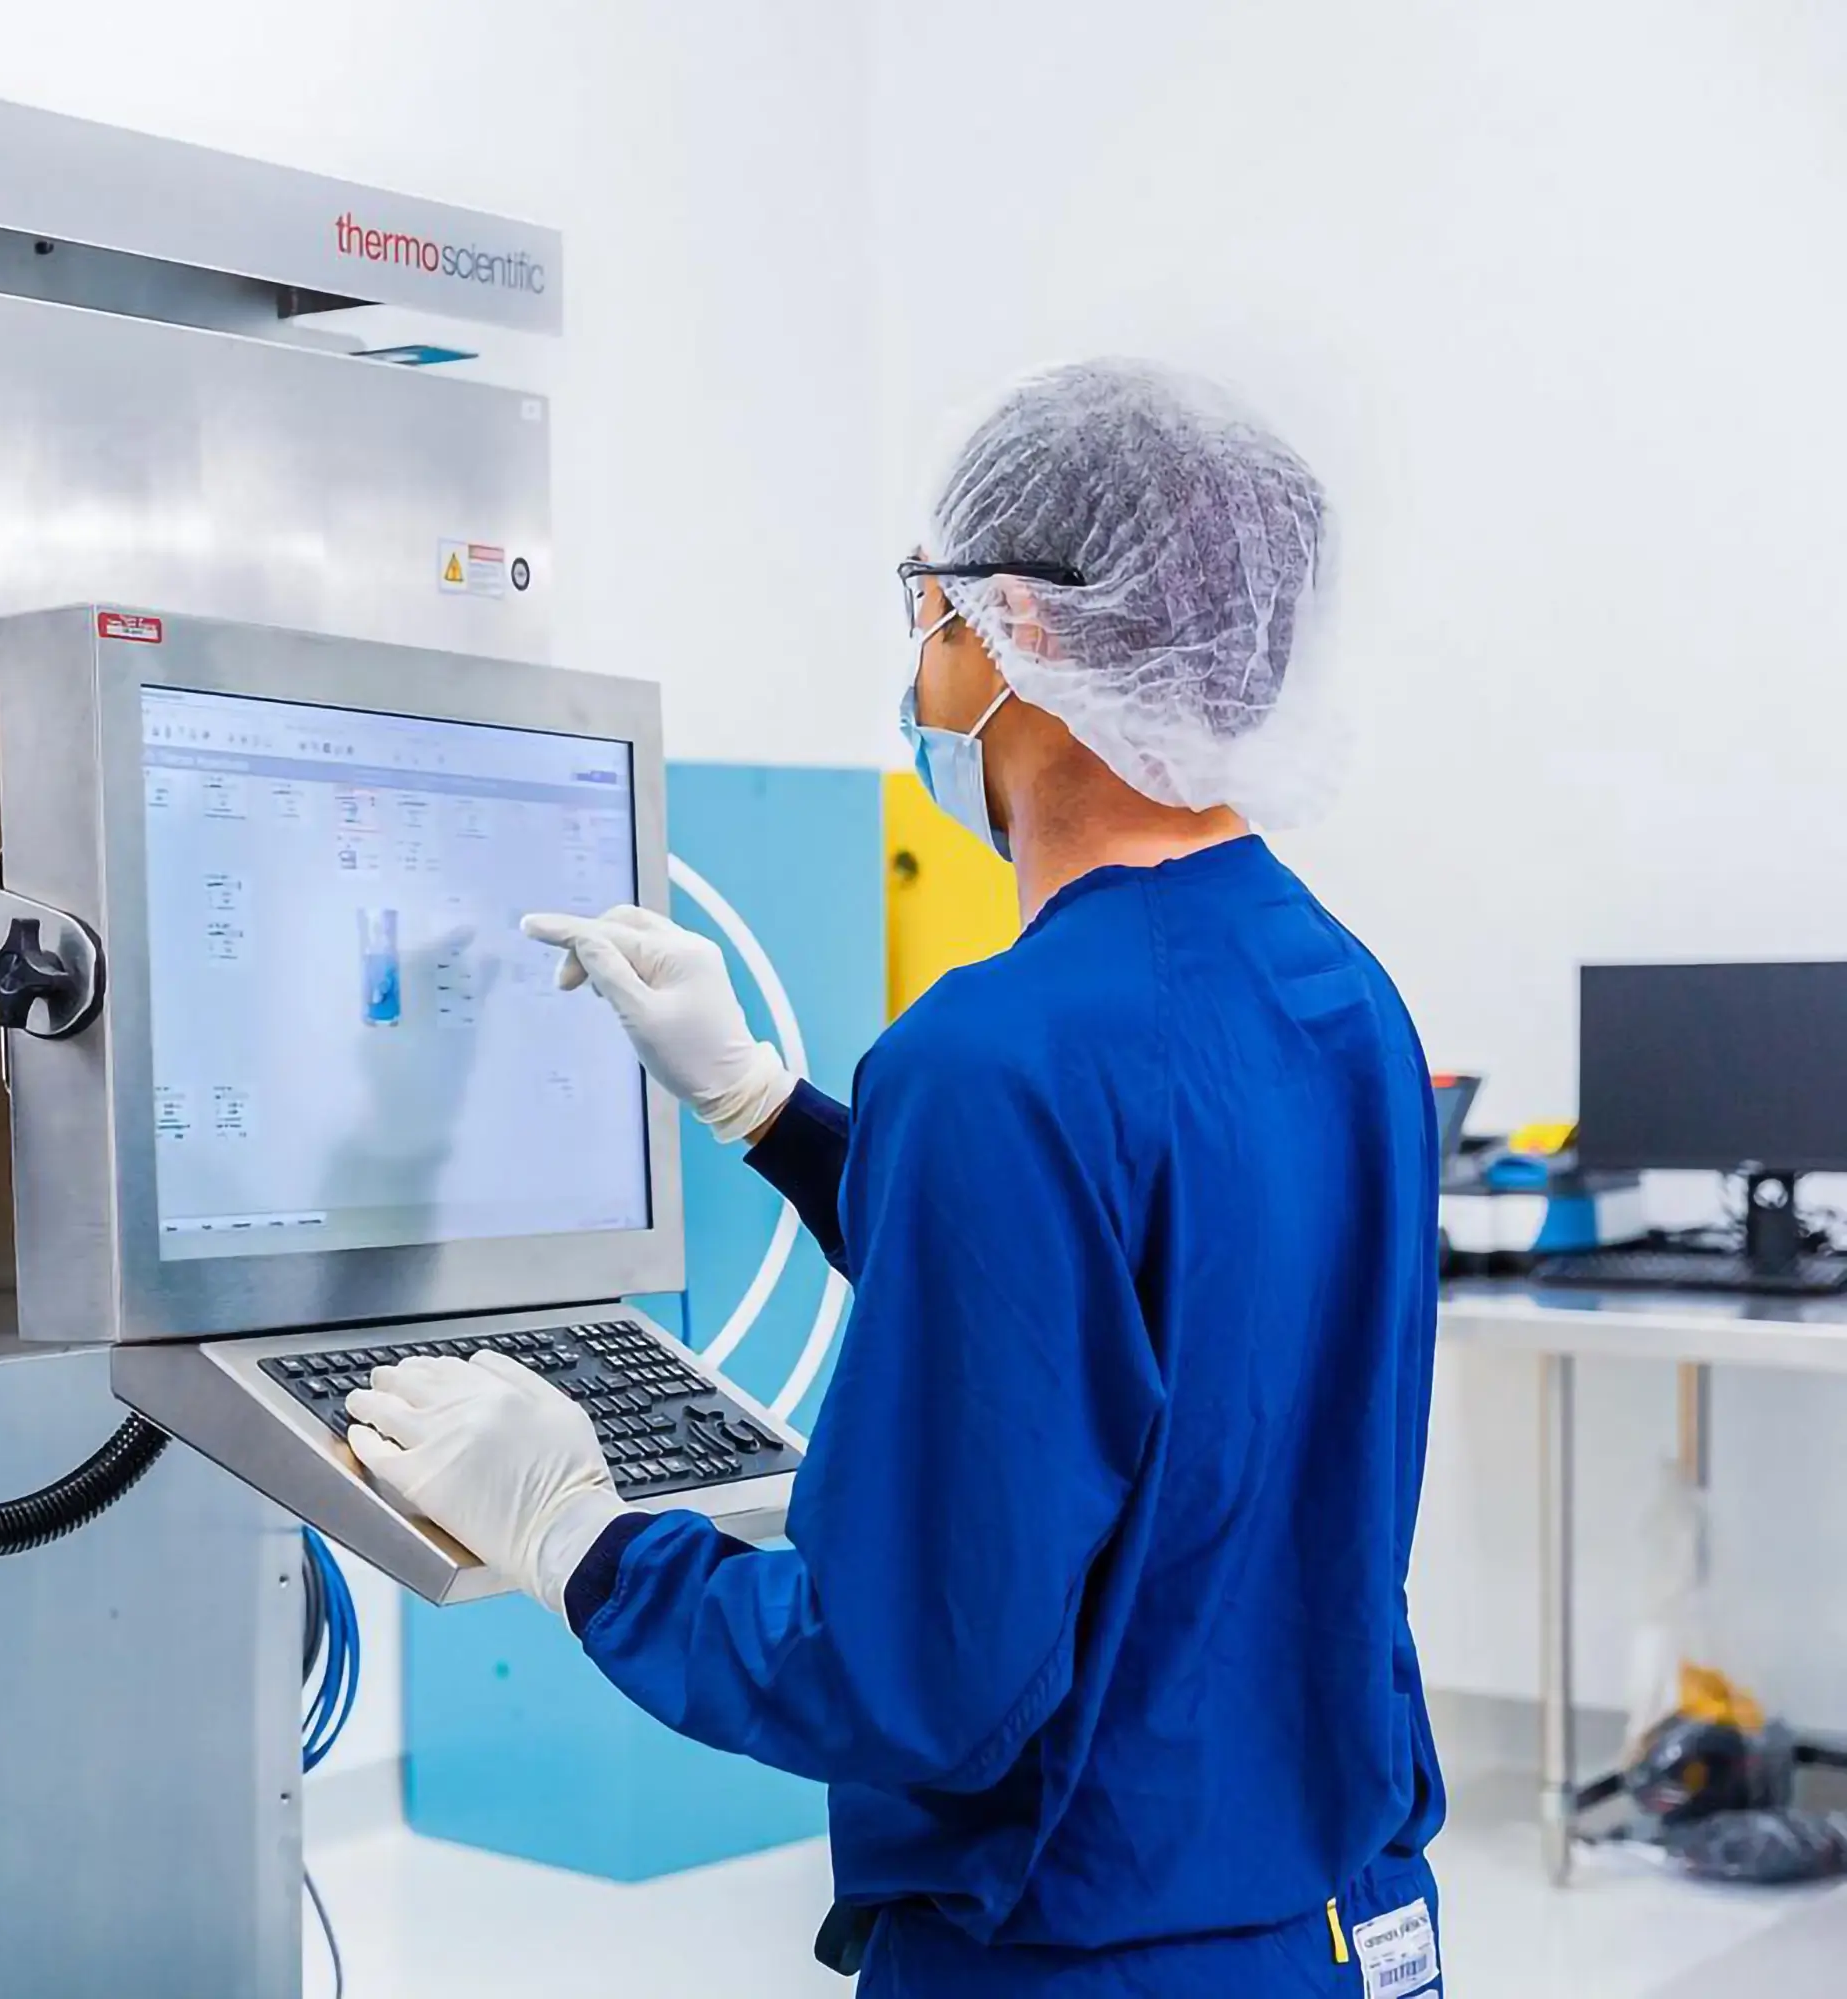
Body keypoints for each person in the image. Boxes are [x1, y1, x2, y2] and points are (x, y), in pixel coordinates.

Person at [342, 362, 1447, 1995]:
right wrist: (768, 1108)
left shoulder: (997, 1053)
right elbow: (1129, 1304)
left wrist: (575, 1535)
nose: (923, 667)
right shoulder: (1342, 997)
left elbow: (910, 1669)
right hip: (1339, 1915)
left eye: (933, 608)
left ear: (1036, 638)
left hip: (1079, 1940)